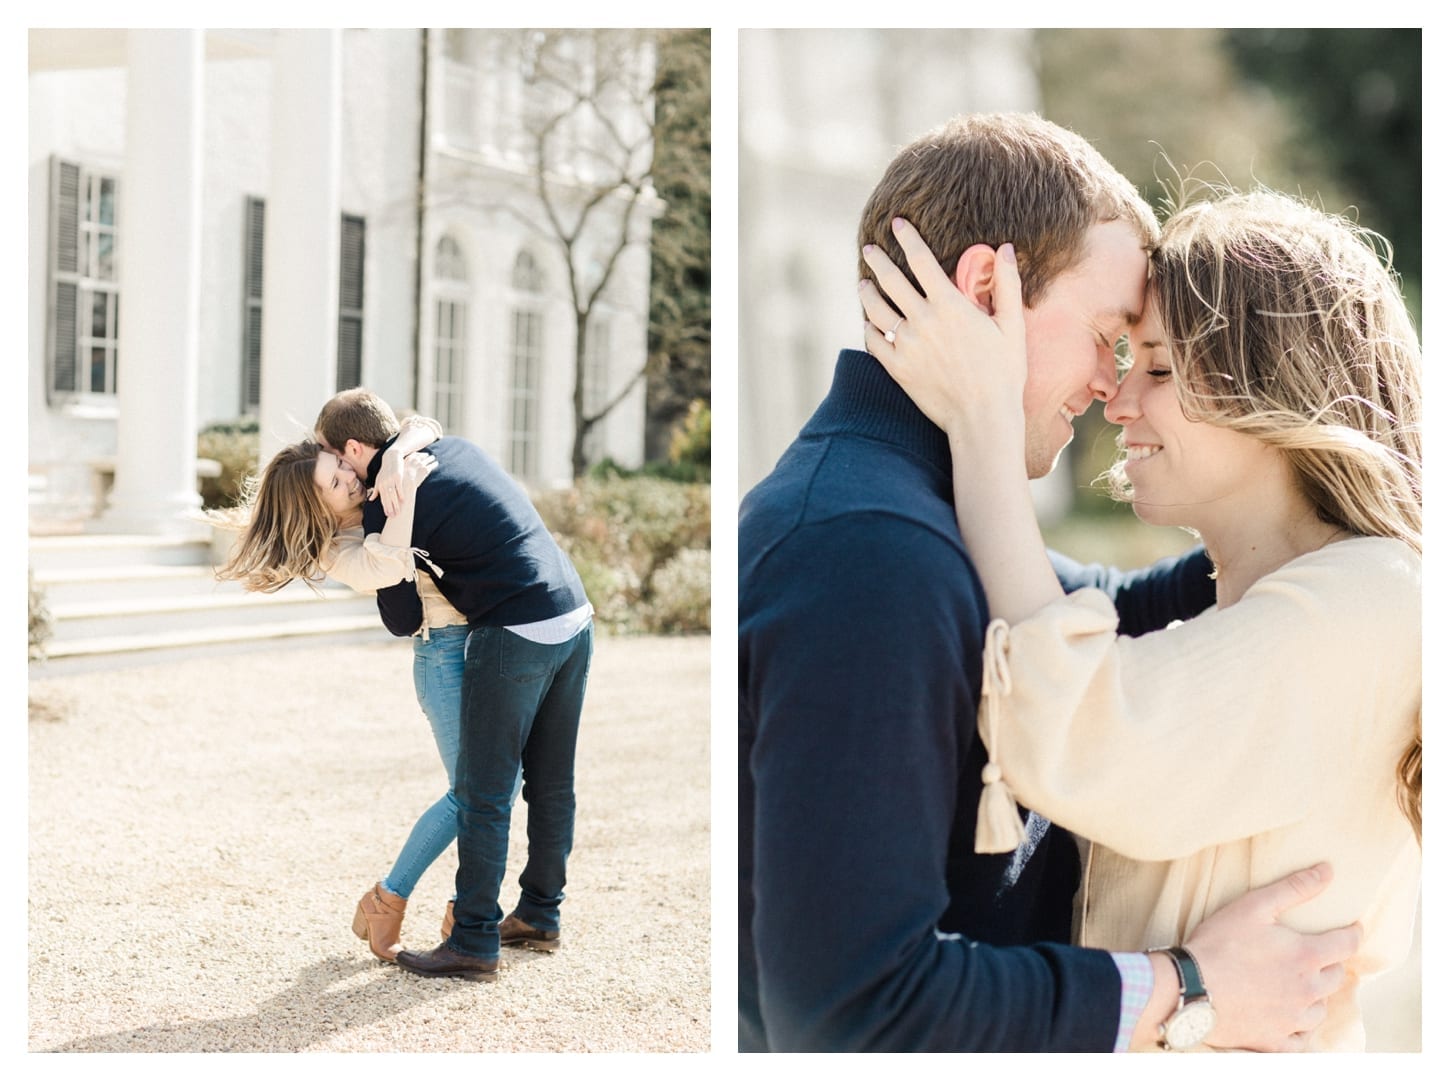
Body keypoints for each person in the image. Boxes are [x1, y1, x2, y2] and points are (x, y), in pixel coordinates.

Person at [739, 113, 1361, 1053]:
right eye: (1112, 335)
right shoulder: (866, 553)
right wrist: (1189, 986)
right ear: (987, 288)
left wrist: (1330, 491)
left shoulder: (916, 509)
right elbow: (850, 1014)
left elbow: (1110, 610)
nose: (1113, 386)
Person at [859, 188, 1420, 1052]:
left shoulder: (1372, 600)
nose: (1118, 401)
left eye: (1156, 367)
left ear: (1273, 381)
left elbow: (1086, 733)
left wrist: (983, 421)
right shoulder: (1274, 598)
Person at [314, 388, 593, 982]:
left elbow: (398, 614)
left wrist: (394, 492)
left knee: (483, 792)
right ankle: (541, 914)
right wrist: (410, 443)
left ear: (357, 448)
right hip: (573, 611)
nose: (341, 472)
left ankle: (471, 941)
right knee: (551, 784)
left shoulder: (389, 499)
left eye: (337, 460)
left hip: (516, 624)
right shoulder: (448, 446)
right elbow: (425, 428)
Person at [215, 415, 477, 962]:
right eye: (337, 484)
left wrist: (400, 450)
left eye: (341, 466)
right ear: (319, 510)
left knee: (491, 788)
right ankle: (402, 901)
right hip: (442, 657)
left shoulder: (373, 479)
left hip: (480, 638)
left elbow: (423, 422)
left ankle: (459, 912)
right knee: (475, 794)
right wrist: (400, 494)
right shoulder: (335, 549)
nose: (352, 480)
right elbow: (386, 564)